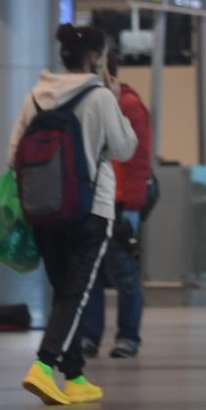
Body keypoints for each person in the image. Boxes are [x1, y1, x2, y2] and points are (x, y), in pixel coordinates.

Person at [7, 24, 139, 406]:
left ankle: (76, 376)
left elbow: (13, 152)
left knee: (64, 290)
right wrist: (115, 100)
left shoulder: (35, 96)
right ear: (96, 58)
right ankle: (43, 367)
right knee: (76, 293)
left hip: (43, 209)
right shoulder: (99, 97)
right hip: (90, 209)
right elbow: (126, 148)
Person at [77, 50, 154, 360]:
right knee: (92, 273)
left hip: (120, 201)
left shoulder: (128, 105)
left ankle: (128, 336)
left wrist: (133, 208)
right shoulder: (89, 103)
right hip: (93, 199)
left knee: (123, 272)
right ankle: (90, 336)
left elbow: (137, 161)